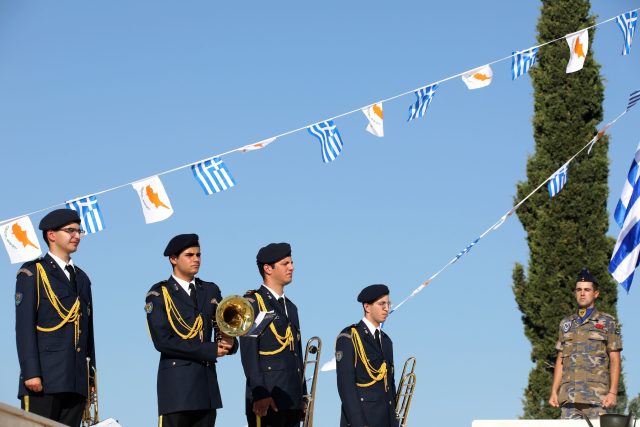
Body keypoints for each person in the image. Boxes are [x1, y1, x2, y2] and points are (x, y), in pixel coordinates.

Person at [145, 233, 237, 427]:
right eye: (189, 255)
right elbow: (163, 341)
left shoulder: (210, 290)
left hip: (207, 388)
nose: (196, 259)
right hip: (177, 390)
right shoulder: (159, 293)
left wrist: (230, 343)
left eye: (198, 254)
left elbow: (224, 326)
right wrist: (209, 350)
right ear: (173, 259)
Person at [15, 208, 96, 427]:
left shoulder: (83, 278)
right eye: (70, 231)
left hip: (75, 380)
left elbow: (87, 332)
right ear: (51, 235)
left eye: (79, 231)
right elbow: (24, 327)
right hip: (44, 379)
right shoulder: (33, 273)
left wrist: (90, 378)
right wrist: (31, 372)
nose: (76, 236)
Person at [240, 242, 306, 427]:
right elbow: (249, 353)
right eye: (285, 264)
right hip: (268, 399)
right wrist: (260, 393)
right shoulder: (254, 303)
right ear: (268, 269)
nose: (291, 267)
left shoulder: (291, 308)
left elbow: (297, 355)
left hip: (291, 400)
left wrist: (302, 395)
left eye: (291, 262)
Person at [549, 268, 623, 419]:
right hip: (569, 400)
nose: (582, 293)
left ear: (596, 294)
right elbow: (560, 360)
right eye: (579, 290)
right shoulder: (566, 324)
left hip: (596, 399)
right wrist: (554, 391)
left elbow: (615, 359)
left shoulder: (607, 322)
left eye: (587, 290)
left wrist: (613, 392)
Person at [335, 284, 398, 427]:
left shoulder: (386, 341)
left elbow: (390, 386)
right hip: (363, 421)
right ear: (367, 307)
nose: (386, 308)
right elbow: (346, 386)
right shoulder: (350, 337)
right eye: (381, 304)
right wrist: (359, 423)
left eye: (388, 303)